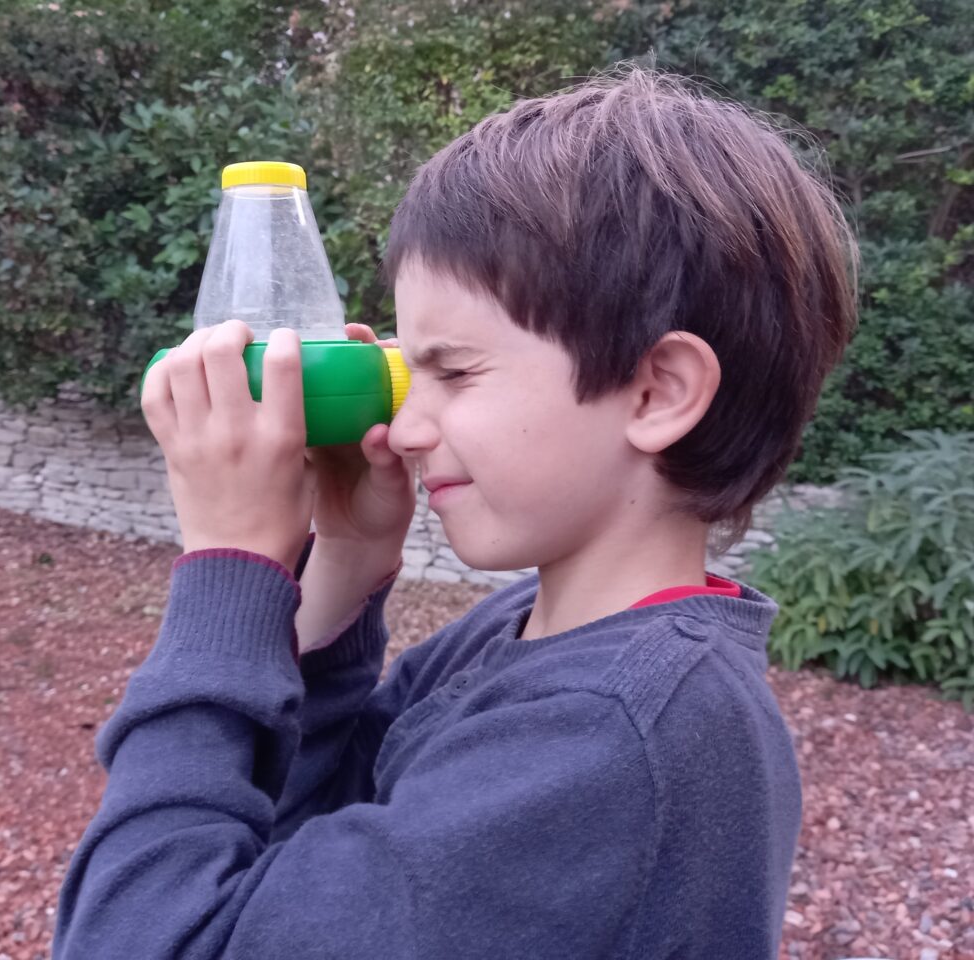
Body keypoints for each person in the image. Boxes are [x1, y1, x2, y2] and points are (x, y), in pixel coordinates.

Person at [52, 66, 857, 959]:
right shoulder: (532, 636)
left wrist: (227, 575)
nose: (403, 422)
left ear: (656, 391)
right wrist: (346, 562)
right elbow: (298, 837)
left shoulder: (611, 733)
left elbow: (141, 936)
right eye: (407, 370)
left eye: (455, 371)